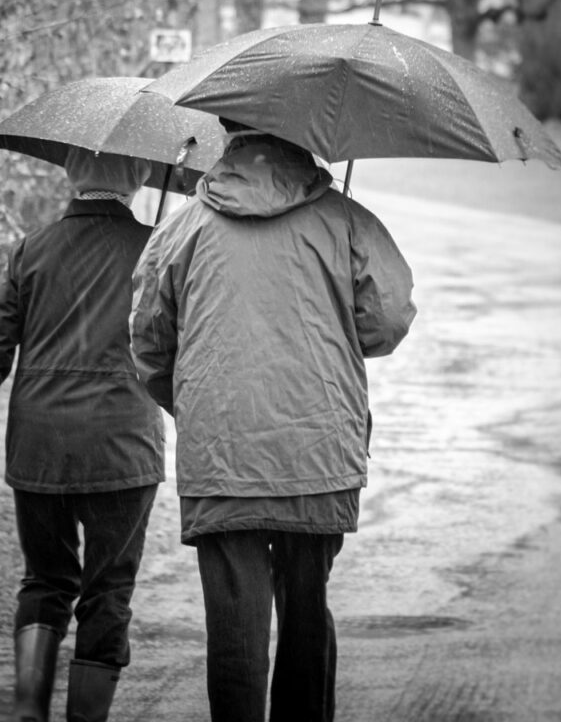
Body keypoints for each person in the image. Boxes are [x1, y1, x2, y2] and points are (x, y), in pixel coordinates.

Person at [129, 122, 416, 722]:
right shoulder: (344, 219)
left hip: (221, 452)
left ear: (226, 130)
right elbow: (386, 321)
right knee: (306, 608)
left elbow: (150, 345)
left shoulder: (181, 227)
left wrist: (197, 405)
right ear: (302, 129)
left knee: (234, 622)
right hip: (318, 448)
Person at [0, 149, 165, 722]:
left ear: (71, 173)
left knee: (44, 580)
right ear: (139, 177)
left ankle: (29, 711)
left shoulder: (31, 249)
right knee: (108, 589)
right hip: (123, 445)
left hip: (40, 444)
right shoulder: (156, 251)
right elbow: (175, 346)